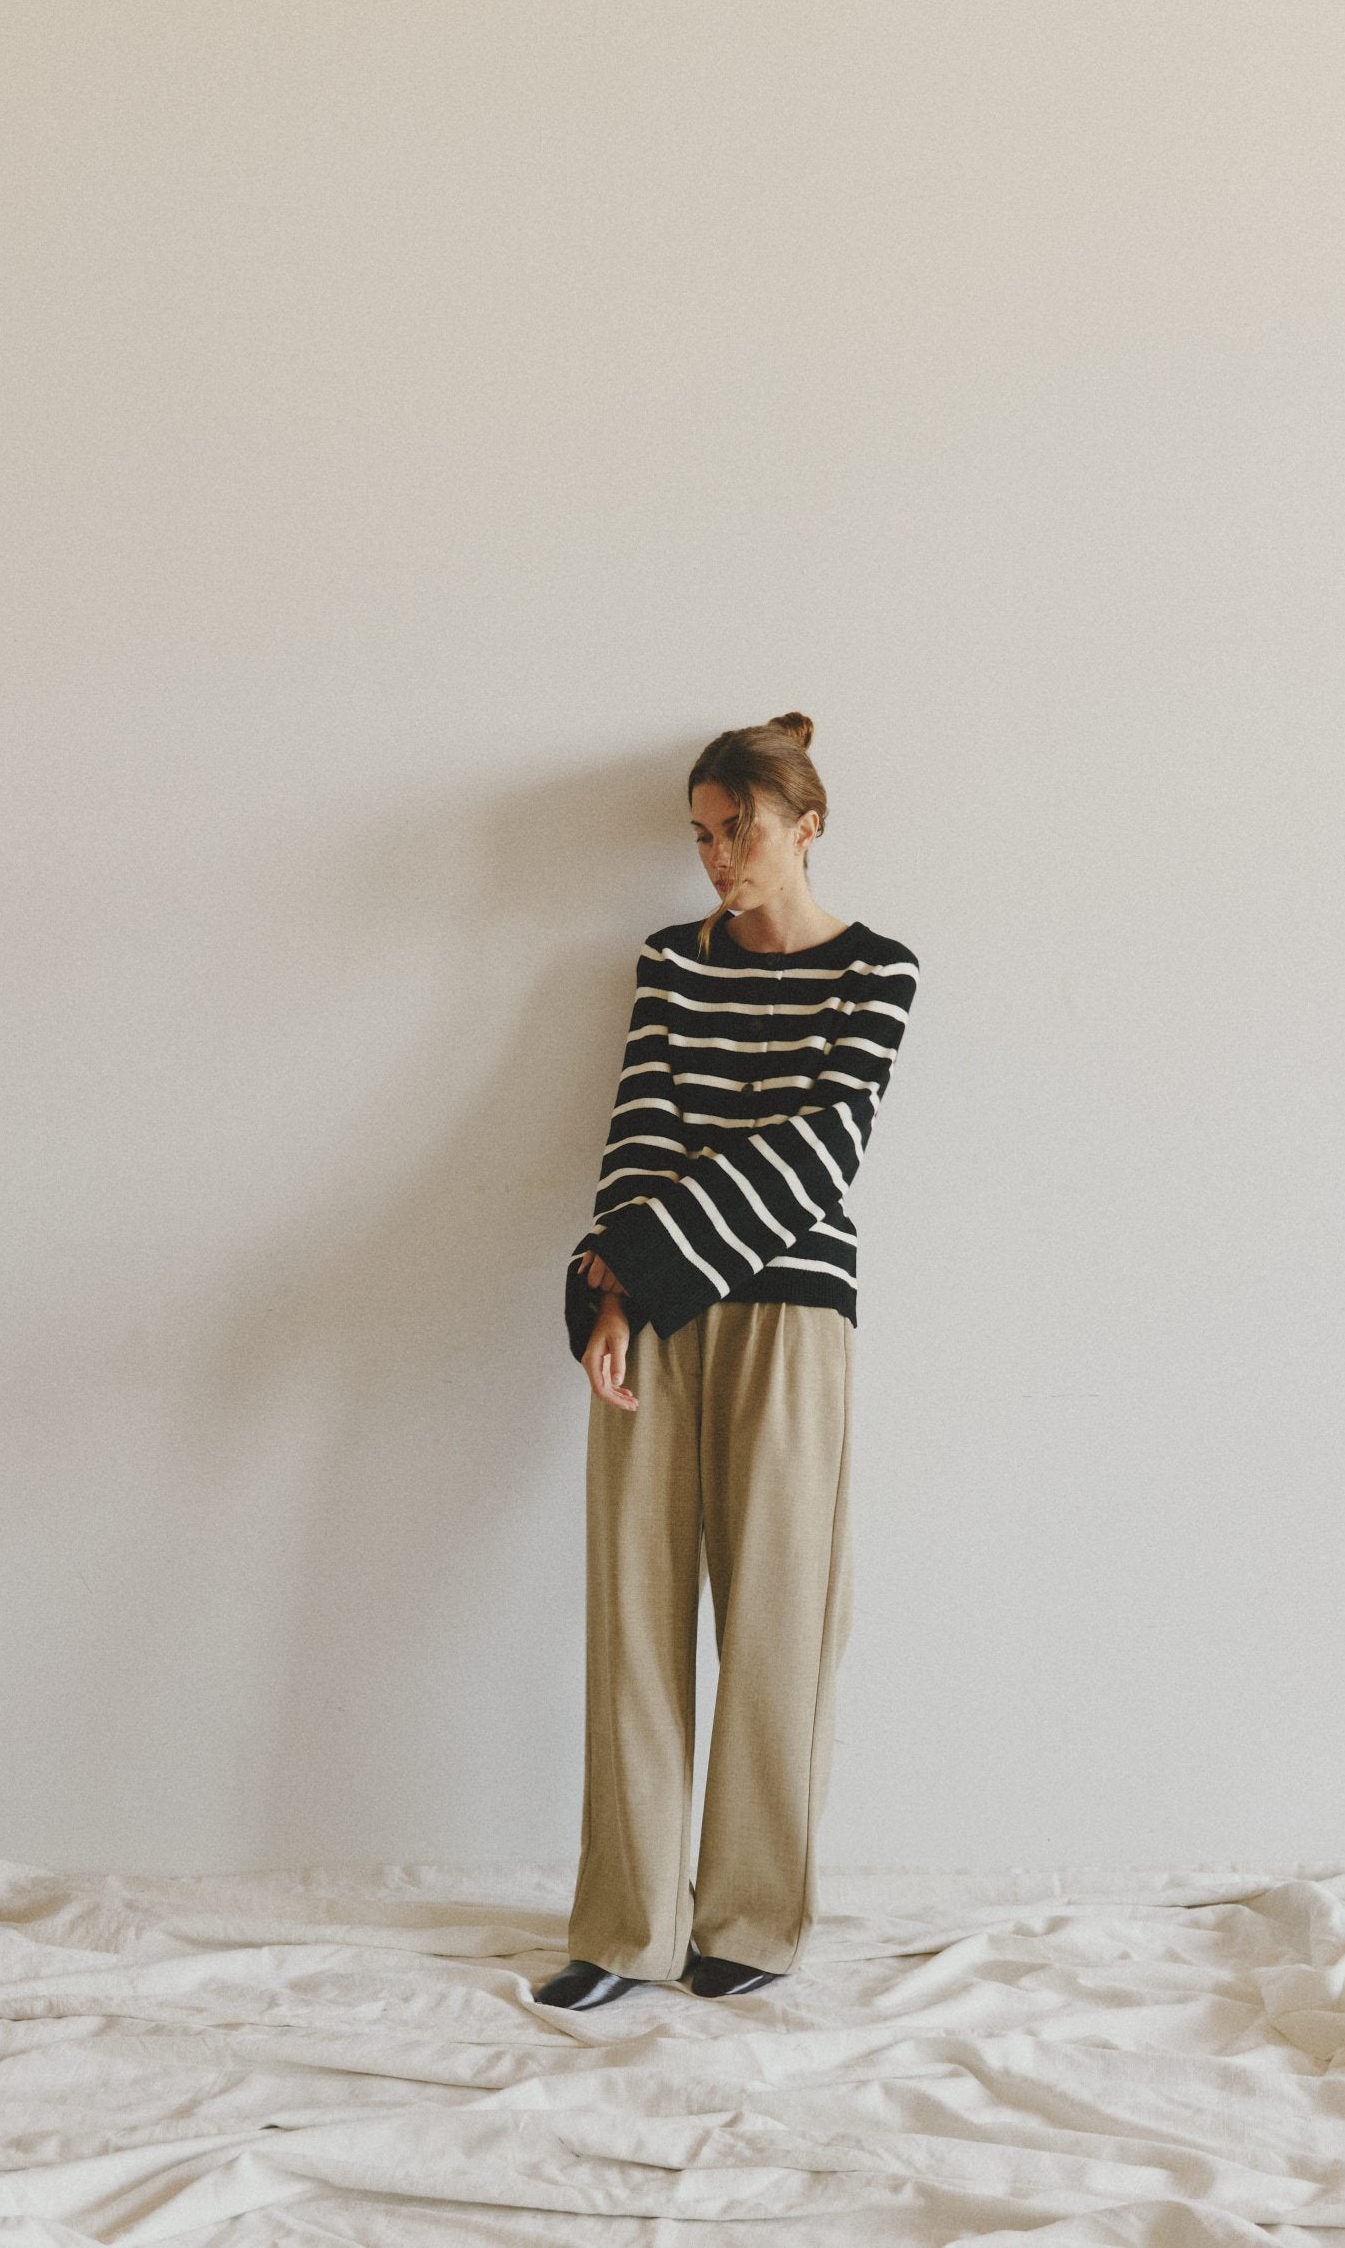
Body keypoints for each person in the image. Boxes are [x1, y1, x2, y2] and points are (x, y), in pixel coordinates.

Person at [533, 712, 920, 2009]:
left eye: (737, 828)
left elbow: (822, 1155)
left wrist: (642, 1260)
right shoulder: (670, 962)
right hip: (655, 1314)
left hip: (795, 1318)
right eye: (700, 834)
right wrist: (609, 1296)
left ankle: (750, 1922)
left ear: (806, 824)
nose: (715, 856)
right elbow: (639, 1125)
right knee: (632, 1619)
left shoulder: (880, 972)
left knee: (779, 1623)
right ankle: (623, 1928)